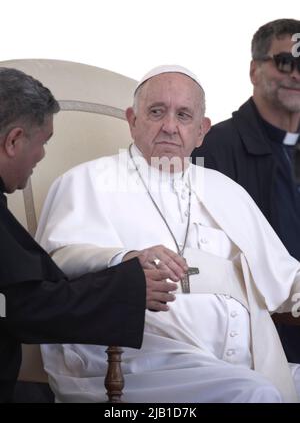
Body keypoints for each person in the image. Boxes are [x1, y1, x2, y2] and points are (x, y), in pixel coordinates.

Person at [37, 65, 300, 403]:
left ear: (202, 130)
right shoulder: (87, 180)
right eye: (156, 112)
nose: (170, 127)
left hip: (246, 362)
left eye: (184, 115)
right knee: (252, 393)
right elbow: (58, 260)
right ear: (132, 120)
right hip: (135, 362)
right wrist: (125, 261)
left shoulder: (227, 191)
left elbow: (284, 277)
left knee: (255, 386)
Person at [0, 67, 178, 403]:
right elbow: (17, 305)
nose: (41, 156)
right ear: (13, 141)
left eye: (184, 114)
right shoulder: (84, 181)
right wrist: (128, 285)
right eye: (43, 143)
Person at [191, 18, 300, 363]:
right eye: (286, 63)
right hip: (259, 331)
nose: (296, 75)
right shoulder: (212, 149)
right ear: (255, 70)